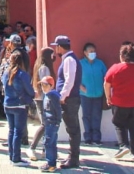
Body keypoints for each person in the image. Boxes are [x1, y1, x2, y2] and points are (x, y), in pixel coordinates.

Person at [3, 49, 35, 167]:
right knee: (18, 132)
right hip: (19, 105)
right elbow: (30, 91)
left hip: (7, 104)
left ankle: (12, 157)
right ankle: (16, 158)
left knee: (11, 131)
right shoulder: (22, 74)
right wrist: (32, 95)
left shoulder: (6, 73)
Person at [53, 35, 81, 170]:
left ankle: (73, 159)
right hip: (70, 99)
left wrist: (62, 96)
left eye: (56, 47)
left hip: (69, 100)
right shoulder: (69, 59)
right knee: (72, 129)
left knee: (73, 129)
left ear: (60, 47)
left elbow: (69, 80)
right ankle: (72, 156)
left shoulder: (69, 60)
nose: (55, 50)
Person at [79, 42, 107, 145]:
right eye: (90, 51)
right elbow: (74, 77)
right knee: (86, 116)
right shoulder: (80, 64)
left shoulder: (100, 63)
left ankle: (96, 138)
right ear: (85, 52)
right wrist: (81, 87)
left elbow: (106, 77)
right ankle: (88, 138)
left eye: (94, 51)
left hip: (98, 94)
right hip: (85, 95)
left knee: (97, 116)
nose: (93, 53)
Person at [30, 47, 55, 162]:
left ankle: (45, 150)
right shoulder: (45, 68)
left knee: (46, 124)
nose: (53, 57)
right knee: (45, 124)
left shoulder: (38, 65)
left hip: (40, 98)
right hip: (42, 99)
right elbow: (46, 84)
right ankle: (33, 147)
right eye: (52, 55)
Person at [40, 76, 63, 173]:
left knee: (48, 143)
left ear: (51, 85)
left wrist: (57, 122)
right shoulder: (46, 95)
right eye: (42, 85)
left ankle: (50, 163)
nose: (43, 87)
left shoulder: (53, 96)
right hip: (48, 122)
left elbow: (58, 110)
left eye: (45, 85)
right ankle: (52, 163)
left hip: (52, 123)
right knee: (52, 143)